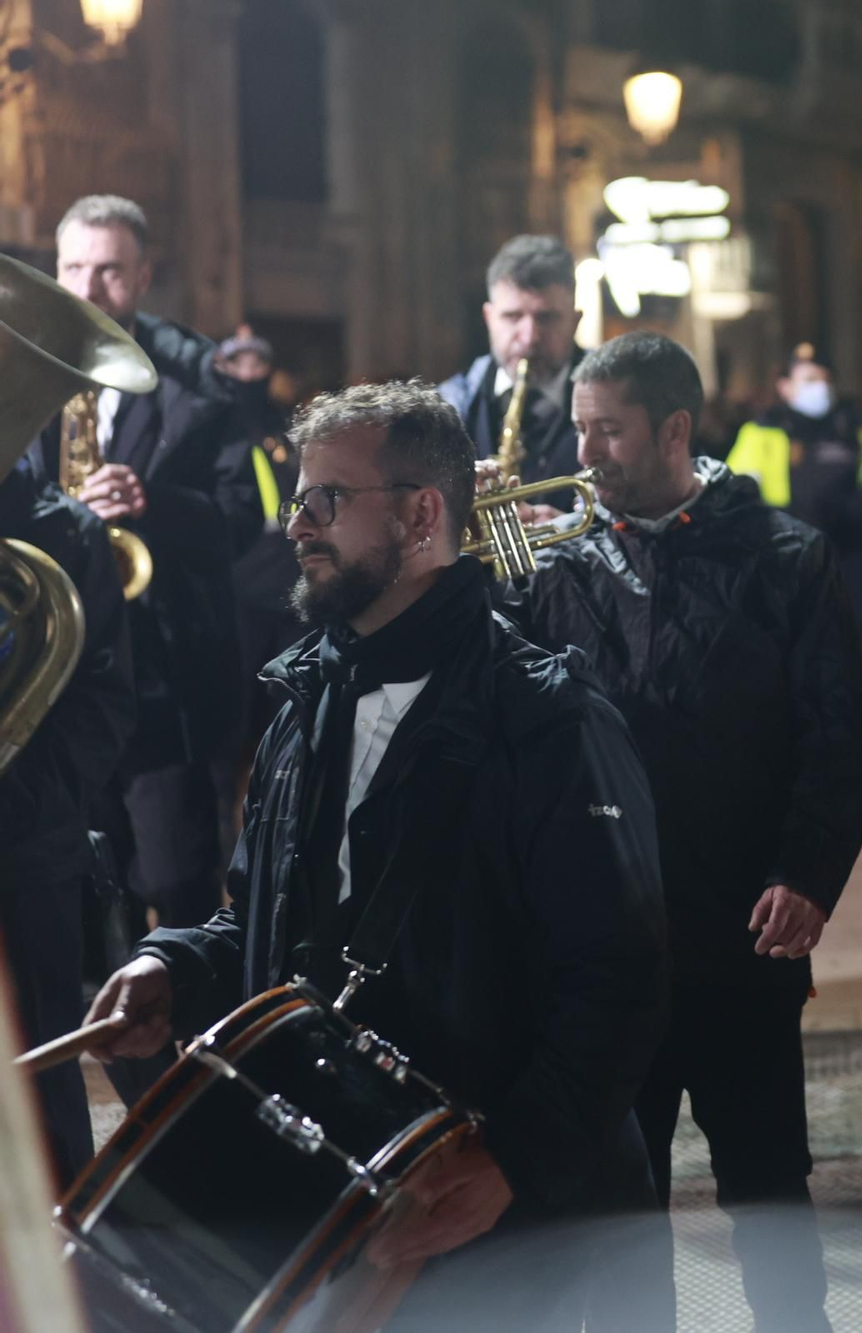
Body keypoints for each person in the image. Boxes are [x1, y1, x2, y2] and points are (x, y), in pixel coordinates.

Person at [85, 382, 670, 1328]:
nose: (296, 526)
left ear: (422, 512)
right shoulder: (303, 702)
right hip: (356, 1196)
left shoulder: (549, 724)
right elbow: (260, 917)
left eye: (325, 500)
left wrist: (512, 1158)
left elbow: (621, 981)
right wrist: (174, 963)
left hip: (515, 1229)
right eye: (296, 500)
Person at [495, 331, 862, 1333]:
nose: (584, 455)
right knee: (622, 1207)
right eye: (578, 430)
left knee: (766, 1189)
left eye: (607, 432)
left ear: (673, 430)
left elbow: (837, 743)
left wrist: (805, 874)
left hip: (739, 938)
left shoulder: (787, 558)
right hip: (604, 948)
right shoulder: (554, 564)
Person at [31, 194, 259, 932]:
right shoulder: (26, 370)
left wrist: (150, 501)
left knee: (176, 876)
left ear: (145, 274)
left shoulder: (200, 388)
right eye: (73, 268)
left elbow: (242, 517)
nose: (89, 290)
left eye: (109, 271)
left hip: (163, 683)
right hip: (54, 677)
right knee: (80, 888)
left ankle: (185, 1036)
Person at [0, 462, 134, 1186]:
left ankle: (62, 1271)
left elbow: (103, 707)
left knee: (44, 1082)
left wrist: (16, 798)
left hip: (25, 855)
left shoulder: (66, 531)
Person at [727, 343, 862, 627]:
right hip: (784, 566)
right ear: (785, 387)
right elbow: (734, 499)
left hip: (847, 560)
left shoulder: (851, 429)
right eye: (810, 380)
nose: (820, 388)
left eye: (826, 379)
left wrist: (855, 514)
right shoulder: (761, 432)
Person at [214, 326, 303, 768]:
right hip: (237, 595)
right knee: (235, 722)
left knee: (285, 715)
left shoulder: (282, 426)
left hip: (289, 594)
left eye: (258, 362)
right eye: (238, 362)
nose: (249, 372)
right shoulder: (213, 426)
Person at [439, 235, 585, 487]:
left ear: (574, 321)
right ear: (488, 318)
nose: (529, 338)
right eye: (512, 317)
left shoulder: (616, 399)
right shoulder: (450, 404)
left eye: (547, 318)